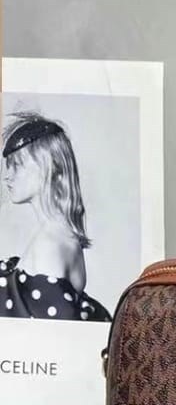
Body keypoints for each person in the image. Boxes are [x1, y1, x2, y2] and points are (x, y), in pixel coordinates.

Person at [0, 112, 111, 321]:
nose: (8, 176)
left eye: (17, 165)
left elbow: (52, 335)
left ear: (48, 167)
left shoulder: (50, 244)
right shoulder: (58, 235)